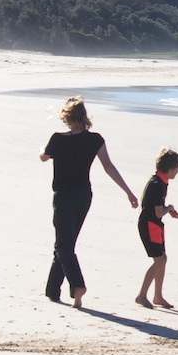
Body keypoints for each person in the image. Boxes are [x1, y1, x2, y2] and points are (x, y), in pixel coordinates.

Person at [40, 97, 139, 308]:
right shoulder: (95, 139)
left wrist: (43, 148)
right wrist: (128, 192)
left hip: (64, 196)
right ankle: (52, 290)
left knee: (63, 244)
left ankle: (77, 285)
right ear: (84, 117)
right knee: (67, 243)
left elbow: (43, 157)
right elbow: (109, 166)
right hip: (84, 196)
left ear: (66, 117)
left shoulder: (58, 138)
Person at [136, 147, 178, 309]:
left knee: (163, 258)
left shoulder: (158, 180)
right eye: (176, 169)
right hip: (150, 225)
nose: (177, 172)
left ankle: (158, 296)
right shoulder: (158, 185)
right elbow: (158, 212)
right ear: (169, 169)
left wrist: (168, 210)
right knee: (159, 260)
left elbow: (156, 207)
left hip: (153, 223)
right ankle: (142, 295)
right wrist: (168, 208)